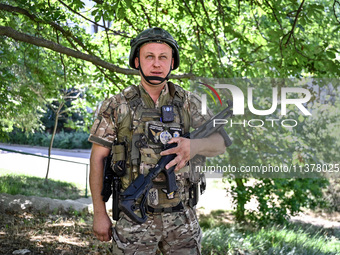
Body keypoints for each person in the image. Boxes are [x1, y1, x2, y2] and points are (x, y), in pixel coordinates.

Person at [88, 27, 227, 254]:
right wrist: (99, 213)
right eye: (149, 57)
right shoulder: (117, 105)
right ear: (136, 62)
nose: (156, 63)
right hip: (134, 217)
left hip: (183, 217)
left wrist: (194, 146)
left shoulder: (189, 102)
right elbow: (97, 158)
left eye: (163, 57)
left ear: (172, 63)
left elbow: (220, 142)